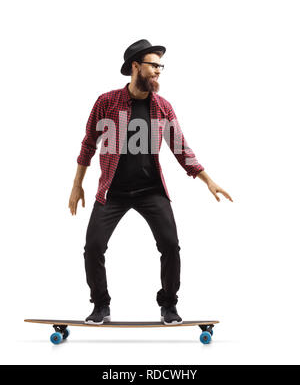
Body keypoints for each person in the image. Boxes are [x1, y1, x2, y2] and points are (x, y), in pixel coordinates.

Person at [68, 39, 233, 325]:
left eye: (161, 66)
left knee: (170, 245)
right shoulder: (106, 102)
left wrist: (207, 179)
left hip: (151, 191)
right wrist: (76, 185)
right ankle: (100, 305)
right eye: (153, 65)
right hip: (112, 191)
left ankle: (169, 304)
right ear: (135, 66)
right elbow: (88, 144)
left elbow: (180, 147)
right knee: (93, 247)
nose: (158, 71)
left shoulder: (162, 107)